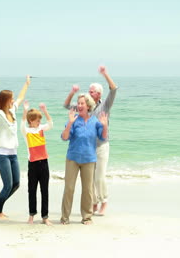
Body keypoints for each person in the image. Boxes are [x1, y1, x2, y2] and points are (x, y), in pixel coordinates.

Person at [63, 65, 117, 215]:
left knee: (99, 177)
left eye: (92, 91)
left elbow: (113, 89)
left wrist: (105, 74)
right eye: (89, 90)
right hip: (87, 148)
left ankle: (104, 201)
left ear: (98, 95)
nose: (89, 93)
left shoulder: (105, 106)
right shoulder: (84, 106)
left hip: (101, 146)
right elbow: (67, 105)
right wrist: (72, 92)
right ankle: (93, 203)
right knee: (90, 179)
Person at [0, 75, 31, 219]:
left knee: (16, 184)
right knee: (7, 185)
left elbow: (20, 97)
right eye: (10, 99)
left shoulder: (12, 111)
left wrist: (27, 83)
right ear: (5, 100)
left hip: (13, 154)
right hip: (2, 155)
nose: (13, 100)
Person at [60, 94, 108, 225]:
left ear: (88, 106)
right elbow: (64, 137)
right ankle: (65, 217)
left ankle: (86, 217)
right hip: (72, 159)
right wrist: (70, 123)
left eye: (82, 103)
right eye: (78, 103)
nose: (79, 106)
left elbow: (103, 138)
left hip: (89, 159)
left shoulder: (95, 122)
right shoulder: (73, 120)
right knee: (69, 188)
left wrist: (104, 125)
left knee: (88, 190)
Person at [20, 101, 53, 225]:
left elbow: (51, 124)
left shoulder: (41, 129)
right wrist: (25, 110)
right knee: (32, 190)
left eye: (40, 119)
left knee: (45, 190)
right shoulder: (27, 131)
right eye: (37, 120)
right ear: (31, 120)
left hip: (44, 163)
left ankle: (45, 217)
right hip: (33, 164)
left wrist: (45, 110)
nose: (39, 122)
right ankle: (31, 216)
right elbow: (21, 125)